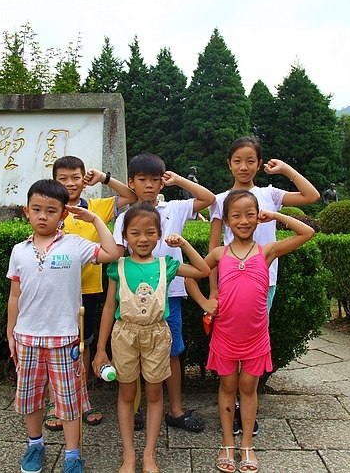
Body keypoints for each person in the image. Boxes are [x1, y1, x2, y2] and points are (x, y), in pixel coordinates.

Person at [203, 136, 319, 436]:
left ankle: (246, 406)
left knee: (253, 345)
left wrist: (286, 170)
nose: (244, 167)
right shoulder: (219, 200)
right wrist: (213, 292)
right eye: (237, 161)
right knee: (229, 348)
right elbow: (213, 249)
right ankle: (232, 407)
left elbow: (311, 196)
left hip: (264, 282)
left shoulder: (270, 194)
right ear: (228, 164)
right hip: (230, 284)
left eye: (250, 161)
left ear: (259, 163)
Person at [6, 179, 120, 473]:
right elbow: (15, 295)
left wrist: (94, 219)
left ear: (63, 214)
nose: (43, 216)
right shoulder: (19, 250)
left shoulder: (75, 245)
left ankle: (72, 454)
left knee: (69, 401)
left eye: (51, 211)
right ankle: (35, 445)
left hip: (64, 338)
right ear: (26, 211)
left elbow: (112, 253)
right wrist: (10, 332)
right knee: (31, 399)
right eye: (36, 209)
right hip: (27, 337)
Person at [94, 203, 210, 473]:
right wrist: (100, 349)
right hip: (124, 334)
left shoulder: (166, 265)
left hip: (157, 334)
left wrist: (183, 243)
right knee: (126, 393)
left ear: (159, 234)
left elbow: (203, 270)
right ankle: (128, 455)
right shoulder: (118, 266)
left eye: (150, 232)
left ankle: (149, 455)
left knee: (155, 394)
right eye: (135, 233)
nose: (143, 239)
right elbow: (109, 308)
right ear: (125, 235)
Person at [206, 190, 315, 473]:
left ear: (258, 218)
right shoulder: (219, 253)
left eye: (250, 215)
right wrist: (206, 301)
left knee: (248, 388)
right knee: (227, 386)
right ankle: (227, 443)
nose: (243, 221)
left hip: (255, 336)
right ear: (226, 220)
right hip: (225, 334)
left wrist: (275, 215)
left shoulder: (266, 251)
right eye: (236, 216)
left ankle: (247, 445)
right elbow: (195, 273)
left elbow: (307, 233)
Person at [112, 153, 215, 434]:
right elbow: (118, 254)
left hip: (170, 293)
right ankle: (134, 409)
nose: (149, 185)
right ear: (131, 182)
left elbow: (208, 199)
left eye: (155, 179)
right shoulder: (124, 218)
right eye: (142, 179)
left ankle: (175, 410)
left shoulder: (175, 208)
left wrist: (179, 180)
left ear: (162, 182)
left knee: (172, 351)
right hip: (134, 297)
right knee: (133, 353)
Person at [43, 156, 137, 431]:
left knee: (83, 345)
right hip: (56, 290)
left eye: (76, 177)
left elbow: (131, 196)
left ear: (84, 180)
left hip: (89, 289)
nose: (70, 183)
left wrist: (105, 178)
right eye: (63, 178)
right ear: (54, 181)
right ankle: (54, 403)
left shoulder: (96, 207)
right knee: (54, 345)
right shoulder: (51, 209)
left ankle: (80, 399)